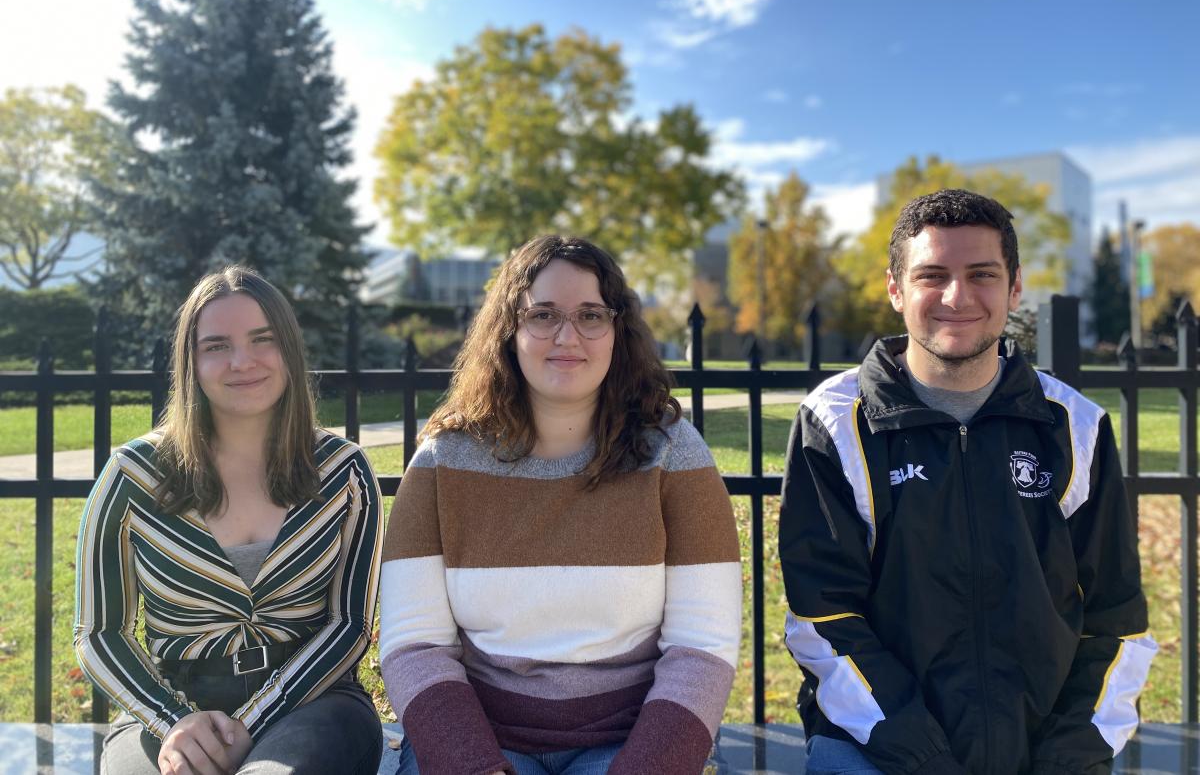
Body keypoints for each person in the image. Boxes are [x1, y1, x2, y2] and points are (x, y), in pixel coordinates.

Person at [779, 189, 1155, 774]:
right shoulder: (834, 422)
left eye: (982, 274)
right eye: (933, 275)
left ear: (1015, 286)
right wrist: (922, 755)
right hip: (877, 744)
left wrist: (1066, 758)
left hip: (1044, 749)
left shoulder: (1074, 424)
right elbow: (822, 620)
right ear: (896, 289)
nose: (958, 297)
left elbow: (1118, 620)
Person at [380, 235, 741, 775]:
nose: (567, 336)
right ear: (510, 328)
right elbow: (415, 646)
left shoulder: (674, 455)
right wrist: (473, 765)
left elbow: (702, 648)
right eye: (543, 314)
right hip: (480, 742)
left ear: (617, 330)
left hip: (630, 740)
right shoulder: (443, 462)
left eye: (591, 314)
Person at [75, 266, 383, 775]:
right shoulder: (132, 476)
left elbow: (349, 624)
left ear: (289, 348)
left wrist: (252, 720)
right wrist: (173, 721)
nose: (243, 362)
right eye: (217, 345)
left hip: (314, 702)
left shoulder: (343, 471)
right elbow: (97, 630)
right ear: (191, 363)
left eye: (263, 339)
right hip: (167, 711)